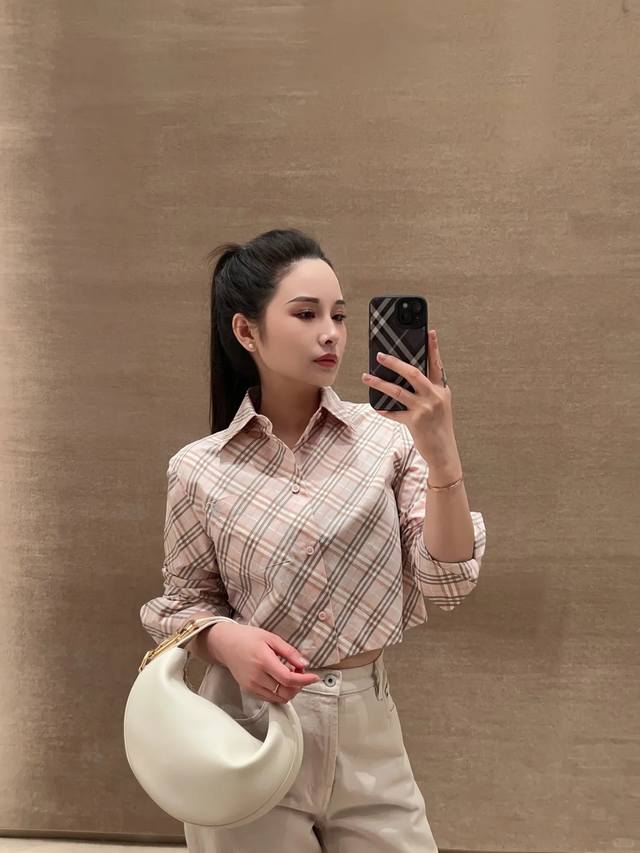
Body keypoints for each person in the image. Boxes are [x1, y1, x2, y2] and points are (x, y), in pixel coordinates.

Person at [139, 228, 487, 852]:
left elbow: (448, 581)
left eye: (339, 315)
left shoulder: (389, 441)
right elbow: (184, 605)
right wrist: (225, 641)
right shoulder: (198, 468)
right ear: (247, 332)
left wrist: (441, 452)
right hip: (247, 729)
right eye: (306, 314)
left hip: (368, 731)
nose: (330, 333)